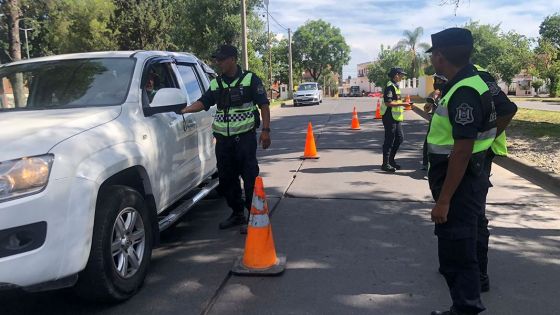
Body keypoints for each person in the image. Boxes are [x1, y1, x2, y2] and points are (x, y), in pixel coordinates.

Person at [426, 28, 497, 315]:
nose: (432, 58)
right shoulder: (469, 83)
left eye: (433, 53)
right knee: (455, 253)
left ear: (440, 56)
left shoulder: (464, 90)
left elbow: (462, 150)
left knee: (458, 253)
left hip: (460, 186)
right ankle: (463, 306)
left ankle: (466, 308)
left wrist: (444, 200)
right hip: (465, 180)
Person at [179, 44, 271, 231]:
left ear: (233, 59)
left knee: (250, 178)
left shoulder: (250, 79)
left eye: (221, 59)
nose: (218, 62)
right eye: (217, 59)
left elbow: (264, 105)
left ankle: (253, 216)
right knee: (227, 179)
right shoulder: (217, 83)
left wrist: (266, 130)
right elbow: (203, 102)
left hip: (245, 139)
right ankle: (237, 214)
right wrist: (185, 110)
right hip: (223, 142)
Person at [472, 64, 518, 292]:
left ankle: (480, 274)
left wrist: (484, 139)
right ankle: (455, 263)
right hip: (462, 156)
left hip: (477, 156)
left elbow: (507, 108)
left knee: (476, 215)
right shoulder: (457, 77)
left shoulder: (478, 76)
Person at [380, 67, 409, 172]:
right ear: (396, 75)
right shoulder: (390, 87)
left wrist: (403, 103)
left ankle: (391, 161)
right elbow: (388, 102)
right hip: (389, 116)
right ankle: (385, 163)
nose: (402, 76)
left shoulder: (396, 86)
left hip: (395, 117)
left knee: (399, 138)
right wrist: (403, 103)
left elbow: (396, 101)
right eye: (401, 74)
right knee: (389, 140)